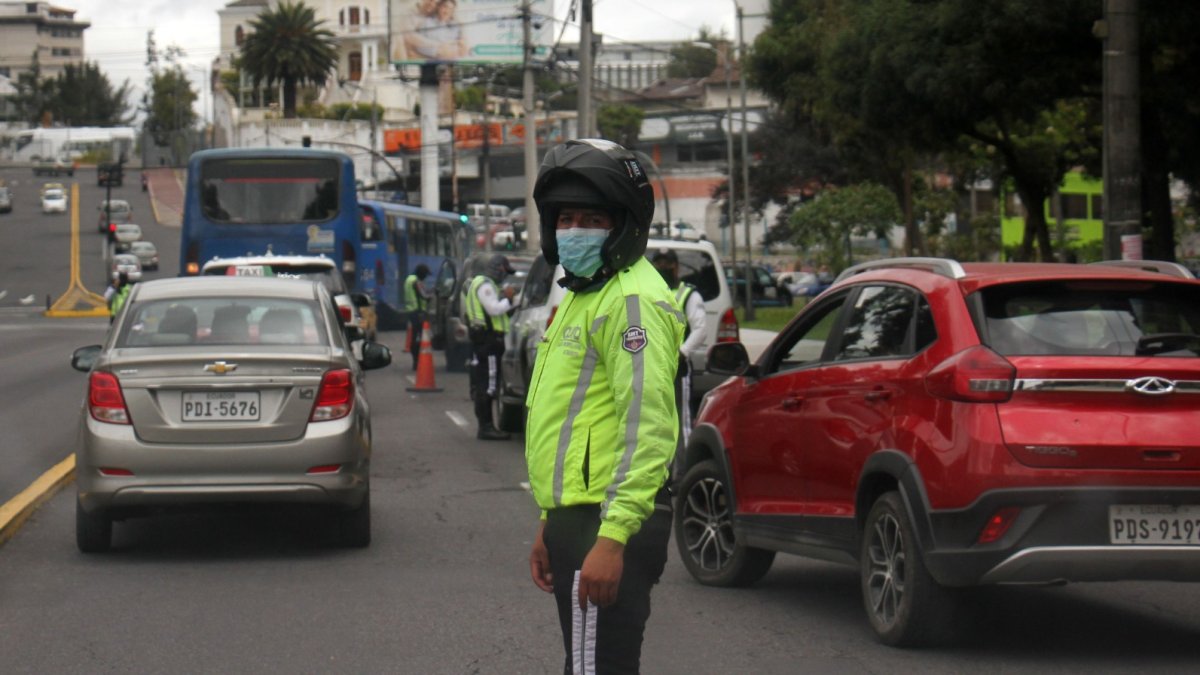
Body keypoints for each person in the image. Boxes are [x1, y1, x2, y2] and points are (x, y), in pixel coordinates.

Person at [525, 139, 686, 674]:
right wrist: (552, 521)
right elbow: (575, 422)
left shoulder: (630, 302)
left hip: (609, 522)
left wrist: (612, 539)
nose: (573, 229)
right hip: (580, 519)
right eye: (564, 217)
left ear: (623, 224)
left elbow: (649, 427)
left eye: (590, 217)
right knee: (589, 665)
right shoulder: (585, 292)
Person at [650, 246, 707, 469]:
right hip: (652, 367)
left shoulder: (688, 295)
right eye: (659, 263)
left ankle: (682, 475)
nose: (663, 267)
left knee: (681, 422)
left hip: (677, 368)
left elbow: (700, 329)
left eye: (668, 263)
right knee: (655, 422)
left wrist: (682, 354)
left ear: (677, 267)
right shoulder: (650, 291)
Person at [464, 253, 516, 440]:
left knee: (486, 383)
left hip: (485, 341)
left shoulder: (482, 283)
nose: (505, 277)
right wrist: (508, 300)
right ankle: (486, 427)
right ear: (498, 269)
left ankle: (486, 426)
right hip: (488, 341)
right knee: (489, 384)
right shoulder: (485, 285)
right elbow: (493, 309)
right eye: (505, 272)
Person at [404, 263, 433, 370]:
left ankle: (415, 361)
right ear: (422, 274)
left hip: (411, 311)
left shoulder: (409, 279)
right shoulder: (416, 281)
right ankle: (417, 361)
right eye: (425, 275)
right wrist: (433, 294)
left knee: (415, 336)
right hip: (418, 312)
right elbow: (423, 295)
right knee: (419, 338)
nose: (425, 278)